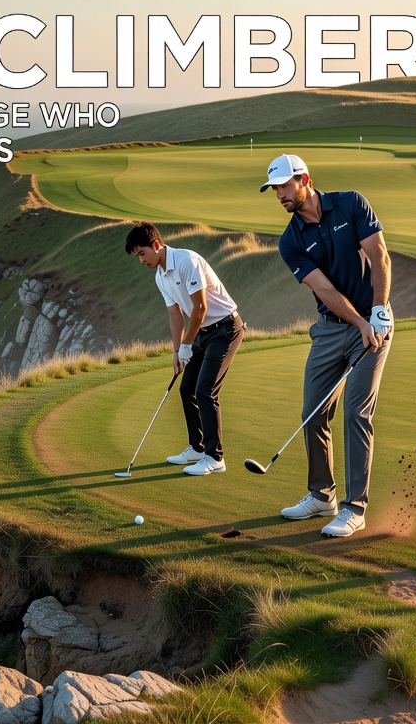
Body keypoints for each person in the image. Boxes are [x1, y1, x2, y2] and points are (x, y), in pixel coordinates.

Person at [260, 154, 393, 537]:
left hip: (376, 320)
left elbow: (379, 256)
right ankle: (322, 496)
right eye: (274, 189)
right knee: (312, 412)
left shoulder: (352, 203)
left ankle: (355, 507)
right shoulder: (290, 241)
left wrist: (379, 312)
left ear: (305, 180)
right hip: (333, 327)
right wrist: (358, 321)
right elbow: (324, 289)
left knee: (355, 412)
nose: (279, 195)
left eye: (285, 186)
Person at [124, 222, 245, 475]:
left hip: (225, 329)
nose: (141, 260)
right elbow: (175, 315)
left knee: (205, 391)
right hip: (201, 332)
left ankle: (215, 457)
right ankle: (198, 448)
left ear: (156, 245)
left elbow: (199, 308)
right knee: (186, 388)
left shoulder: (186, 261)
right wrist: (177, 351)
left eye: (142, 253)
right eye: (137, 257)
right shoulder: (160, 276)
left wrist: (188, 345)